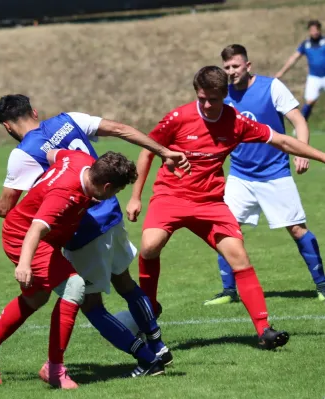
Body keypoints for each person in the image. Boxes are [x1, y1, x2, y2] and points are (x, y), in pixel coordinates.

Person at [0, 95, 191, 387]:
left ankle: (144, 358)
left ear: (7, 127)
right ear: (34, 111)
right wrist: (163, 151)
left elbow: (8, 209)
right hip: (107, 218)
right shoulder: (69, 121)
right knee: (115, 284)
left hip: (81, 231)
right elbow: (119, 130)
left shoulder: (25, 156)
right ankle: (154, 350)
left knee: (83, 302)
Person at [126, 66, 325, 350]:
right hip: (171, 196)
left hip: (210, 203)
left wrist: (322, 156)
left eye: (214, 99)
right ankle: (149, 315)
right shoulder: (179, 117)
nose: (207, 105)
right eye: (202, 98)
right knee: (149, 246)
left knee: (239, 257)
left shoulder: (236, 122)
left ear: (225, 95)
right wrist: (136, 197)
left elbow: (281, 140)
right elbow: (147, 150)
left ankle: (264, 329)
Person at [0, 149, 137, 389]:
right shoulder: (64, 195)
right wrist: (24, 264)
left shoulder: (80, 160)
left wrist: (45, 185)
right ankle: (54, 368)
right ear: (106, 186)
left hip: (37, 236)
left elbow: (53, 154)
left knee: (36, 297)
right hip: (24, 238)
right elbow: (35, 230)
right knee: (74, 286)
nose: (116, 194)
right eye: (117, 190)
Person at [203, 44, 325, 306]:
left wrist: (302, 151)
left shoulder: (272, 87)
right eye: (227, 68)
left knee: (296, 228)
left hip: (275, 173)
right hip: (240, 175)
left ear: (248, 66)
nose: (231, 71)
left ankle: (322, 285)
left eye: (235, 66)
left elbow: (298, 121)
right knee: (226, 229)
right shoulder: (221, 96)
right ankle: (228, 291)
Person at [275, 20, 325, 121]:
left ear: (320, 30)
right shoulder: (305, 44)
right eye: (312, 30)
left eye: (316, 30)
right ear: (309, 31)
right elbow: (294, 58)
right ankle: (300, 124)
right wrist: (282, 72)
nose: (314, 32)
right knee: (310, 101)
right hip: (314, 77)